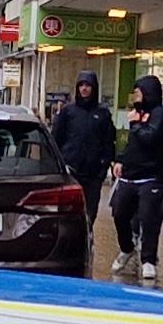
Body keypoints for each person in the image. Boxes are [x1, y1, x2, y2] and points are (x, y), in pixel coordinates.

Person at [109, 77, 163, 282]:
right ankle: (127, 248)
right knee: (120, 214)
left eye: (139, 92)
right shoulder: (135, 113)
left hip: (151, 176)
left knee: (149, 218)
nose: (135, 96)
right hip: (130, 175)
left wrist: (136, 124)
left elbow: (149, 137)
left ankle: (148, 259)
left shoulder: (159, 114)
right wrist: (120, 159)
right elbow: (132, 143)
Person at [49, 75, 117, 263]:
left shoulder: (102, 114)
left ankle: (86, 238)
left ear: (94, 88)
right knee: (69, 210)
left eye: (88, 85)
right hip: (71, 171)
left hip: (94, 174)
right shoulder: (68, 112)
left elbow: (108, 142)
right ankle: (68, 243)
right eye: (81, 85)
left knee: (90, 211)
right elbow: (56, 139)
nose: (84, 89)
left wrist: (104, 166)